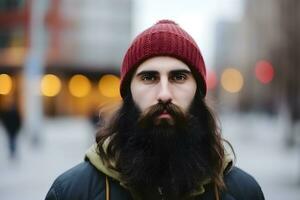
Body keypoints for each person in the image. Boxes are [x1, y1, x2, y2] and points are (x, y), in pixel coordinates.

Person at [45, 20, 265, 200]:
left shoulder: (242, 192)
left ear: (198, 92)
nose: (164, 93)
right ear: (129, 92)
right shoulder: (72, 192)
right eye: (149, 77)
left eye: (178, 77)